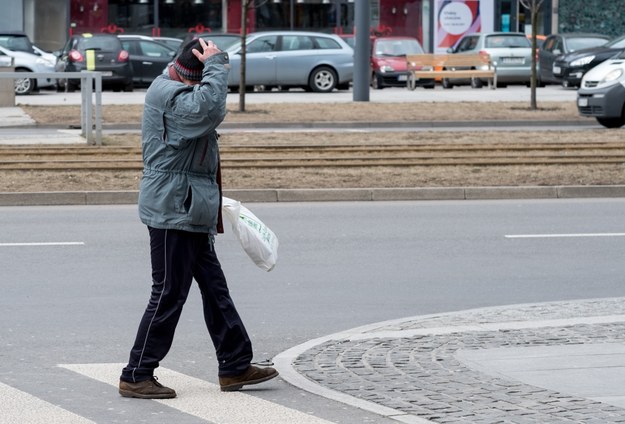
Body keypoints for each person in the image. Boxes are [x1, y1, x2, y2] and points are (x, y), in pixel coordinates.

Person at [118, 38, 278, 399]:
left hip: (189, 206)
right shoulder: (170, 95)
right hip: (173, 208)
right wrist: (218, 67)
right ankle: (136, 373)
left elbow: (206, 104)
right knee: (168, 293)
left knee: (214, 288)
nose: (206, 86)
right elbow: (207, 109)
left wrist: (212, 71)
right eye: (203, 78)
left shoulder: (179, 87)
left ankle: (235, 365)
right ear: (193, 75)